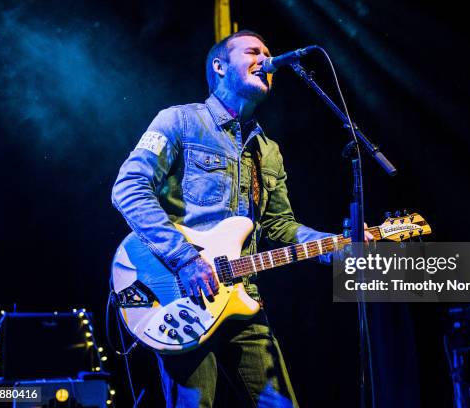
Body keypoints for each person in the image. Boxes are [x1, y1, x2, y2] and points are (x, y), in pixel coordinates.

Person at [111, 30, 334, 407]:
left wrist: (334, 244)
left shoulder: (269, 151)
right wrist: (185, 259)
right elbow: (128, 188)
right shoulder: (180, 121)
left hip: (244, 301)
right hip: (182, 297)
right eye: (253, 51)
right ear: (219, 66)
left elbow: (279, 226)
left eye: (269, 52)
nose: (266, 59)